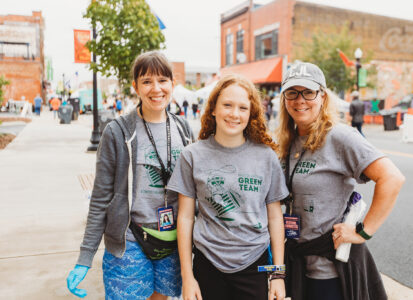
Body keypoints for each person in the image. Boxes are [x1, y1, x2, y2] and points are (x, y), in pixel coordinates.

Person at [66, 51, 194, 300]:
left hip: (173, 240)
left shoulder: (184, 129)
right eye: (147, 81)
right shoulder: (117, 132)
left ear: (172, 84)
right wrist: (86, 255)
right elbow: (101, 197)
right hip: (130, 240)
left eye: (162, 80)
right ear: (135, 86)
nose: (156, 89)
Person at [276, 61, 405, 300]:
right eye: (292, 92)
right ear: (284, 99)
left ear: (322, 97)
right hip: (297, 261)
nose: (300, 100)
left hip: (330, 269)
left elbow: (392, 178)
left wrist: (363, 232)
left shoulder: (339, 136)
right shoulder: (288, 141)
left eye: (308, 92)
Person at [168, 74, 289, 300]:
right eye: (227, 105)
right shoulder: (192, 156)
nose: (234, 114)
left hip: (255, 264)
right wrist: (187, 277)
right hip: (207, 263)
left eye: (243, 108)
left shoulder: (266, 157)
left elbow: (275, 217)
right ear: (213, 108)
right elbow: (185, 218)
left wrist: (278, 276)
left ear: (251, 114)